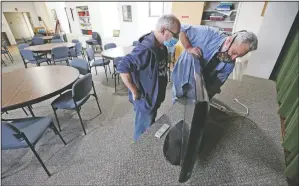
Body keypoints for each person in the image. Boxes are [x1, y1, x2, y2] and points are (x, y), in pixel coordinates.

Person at [117, 15, 181, 141]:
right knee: (142, 133)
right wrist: (134, 90)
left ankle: (146, 143)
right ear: (163, 30)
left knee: (149, 126)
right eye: (175, 34)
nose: (177, 38)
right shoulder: (145, 49)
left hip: (154, 98)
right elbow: (123, 67)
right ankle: (139, 155)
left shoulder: (161, 45)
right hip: (146, 101)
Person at [172, 25, 258, 102]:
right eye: (234, 52)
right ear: (229, 40)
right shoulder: (207, 34)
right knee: (177, 98)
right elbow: (181, 29)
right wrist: (189, 48)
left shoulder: (230, 64)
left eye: (238, 56)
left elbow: (217, 83)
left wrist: (206, 99)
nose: (233, 58)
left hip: (199, 81)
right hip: (183, 73)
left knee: (191, 106)